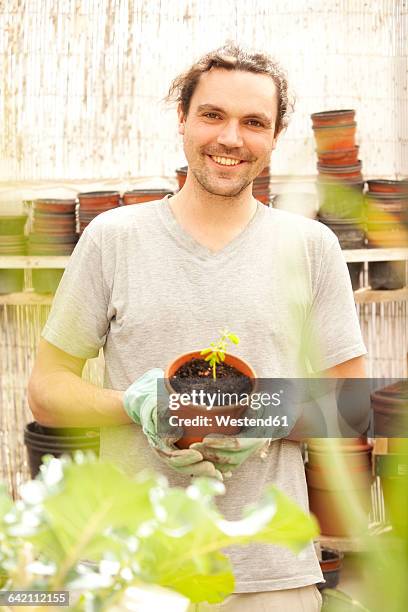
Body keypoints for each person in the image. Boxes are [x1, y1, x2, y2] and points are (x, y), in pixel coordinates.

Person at [28, 43, 367, 611]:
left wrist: (263, 418)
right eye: (213, 115)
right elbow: (46, 389)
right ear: (182, 119)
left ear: (275, 135)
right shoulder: (114, 239)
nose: (231, 138)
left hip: (270, 578)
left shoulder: (310, 247)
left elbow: (353, 405)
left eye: (253, 122)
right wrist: (135, 405)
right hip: (133, 570)